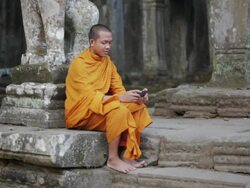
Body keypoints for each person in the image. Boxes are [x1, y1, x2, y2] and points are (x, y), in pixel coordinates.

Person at [65, 24, 152, 173]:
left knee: (137, 107)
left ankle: (126, 155)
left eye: (110, 43)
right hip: (82, 114)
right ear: (92, 42)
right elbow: (88, 97)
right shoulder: (79, 65)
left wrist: (134, 97)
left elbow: (118, 88)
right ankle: (112, 159)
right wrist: (120, 98)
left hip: (101, 107)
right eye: (104, 43)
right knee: (118, 111)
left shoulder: (107, 63)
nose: (107, 46)